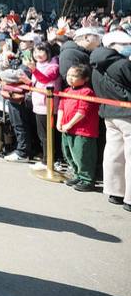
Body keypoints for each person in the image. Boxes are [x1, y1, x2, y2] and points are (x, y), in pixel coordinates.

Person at [90, 30, 131, 212]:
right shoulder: (122, 64)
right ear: (115, 46)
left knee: (114, 152)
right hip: (126, 112)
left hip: (108, 112)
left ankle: (115, 191)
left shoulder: (96, 64)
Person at [57, 65, 100, 192]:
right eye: (69, 75)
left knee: (83, 155)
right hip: (66, 129)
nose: (70, 78)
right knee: (69, 154)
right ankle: (77, 174)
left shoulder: (87, 92)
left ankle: (87, 179)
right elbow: (61, 107)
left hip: (83, 131)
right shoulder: (66, 91)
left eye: (74, 76)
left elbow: (82, 111)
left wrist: (69, 124)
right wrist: (59, 122)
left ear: (85, 79)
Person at [20, 42, 61, 170]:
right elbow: (38, 82)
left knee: (46, 134)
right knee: (42, 134)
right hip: (39, 104)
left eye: (41, 51)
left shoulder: (53, 65)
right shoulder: (38, 64)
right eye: (36, 52)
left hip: (48, 105)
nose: (38, 54)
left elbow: (46, 79)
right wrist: (29, 82)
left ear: (48, 52)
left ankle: (48, 161)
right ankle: (47, 158)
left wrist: (33, 70)